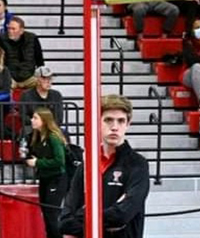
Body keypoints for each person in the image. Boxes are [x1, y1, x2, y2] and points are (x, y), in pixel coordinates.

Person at [60, 94, 150, 238]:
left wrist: (81, 214)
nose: (114, 127)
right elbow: (64, 222)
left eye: (121, 121)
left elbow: (122, 215)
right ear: (98, 122)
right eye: (108, 120)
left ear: (128, 124)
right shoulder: (87, 165)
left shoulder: (138, 165)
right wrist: (108, 217)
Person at [25, 107, 67, 238]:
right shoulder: (37, 137)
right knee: (45, 212)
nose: (32, 120)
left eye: (35, 118)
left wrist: (38, 163)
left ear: (44, 120)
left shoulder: (53, 137)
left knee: (51, 214)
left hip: (57, 178)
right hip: (44, 178)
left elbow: (60, 160)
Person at [0, 17, 44, 91]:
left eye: (13, 29)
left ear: (21, 31)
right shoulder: (3, 39)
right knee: (3, 85)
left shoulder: (32, 38)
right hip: (11, 78)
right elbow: (0, 60)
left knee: (42, 84)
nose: (10, 31)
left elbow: (39, 59)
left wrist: (41, 76)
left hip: (29, 77)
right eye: (9, 28)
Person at [19, 66, 64, 131]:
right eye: (45, 78)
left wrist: (46, 126)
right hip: (33, 128)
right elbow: (23, 117)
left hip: (51, 128)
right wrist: (38, 124)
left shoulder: (56, 95)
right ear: (37, 80)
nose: (49, 81)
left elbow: (59, 118)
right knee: (25, 131)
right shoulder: (26, 95)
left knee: (63, 134)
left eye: (50, 78)